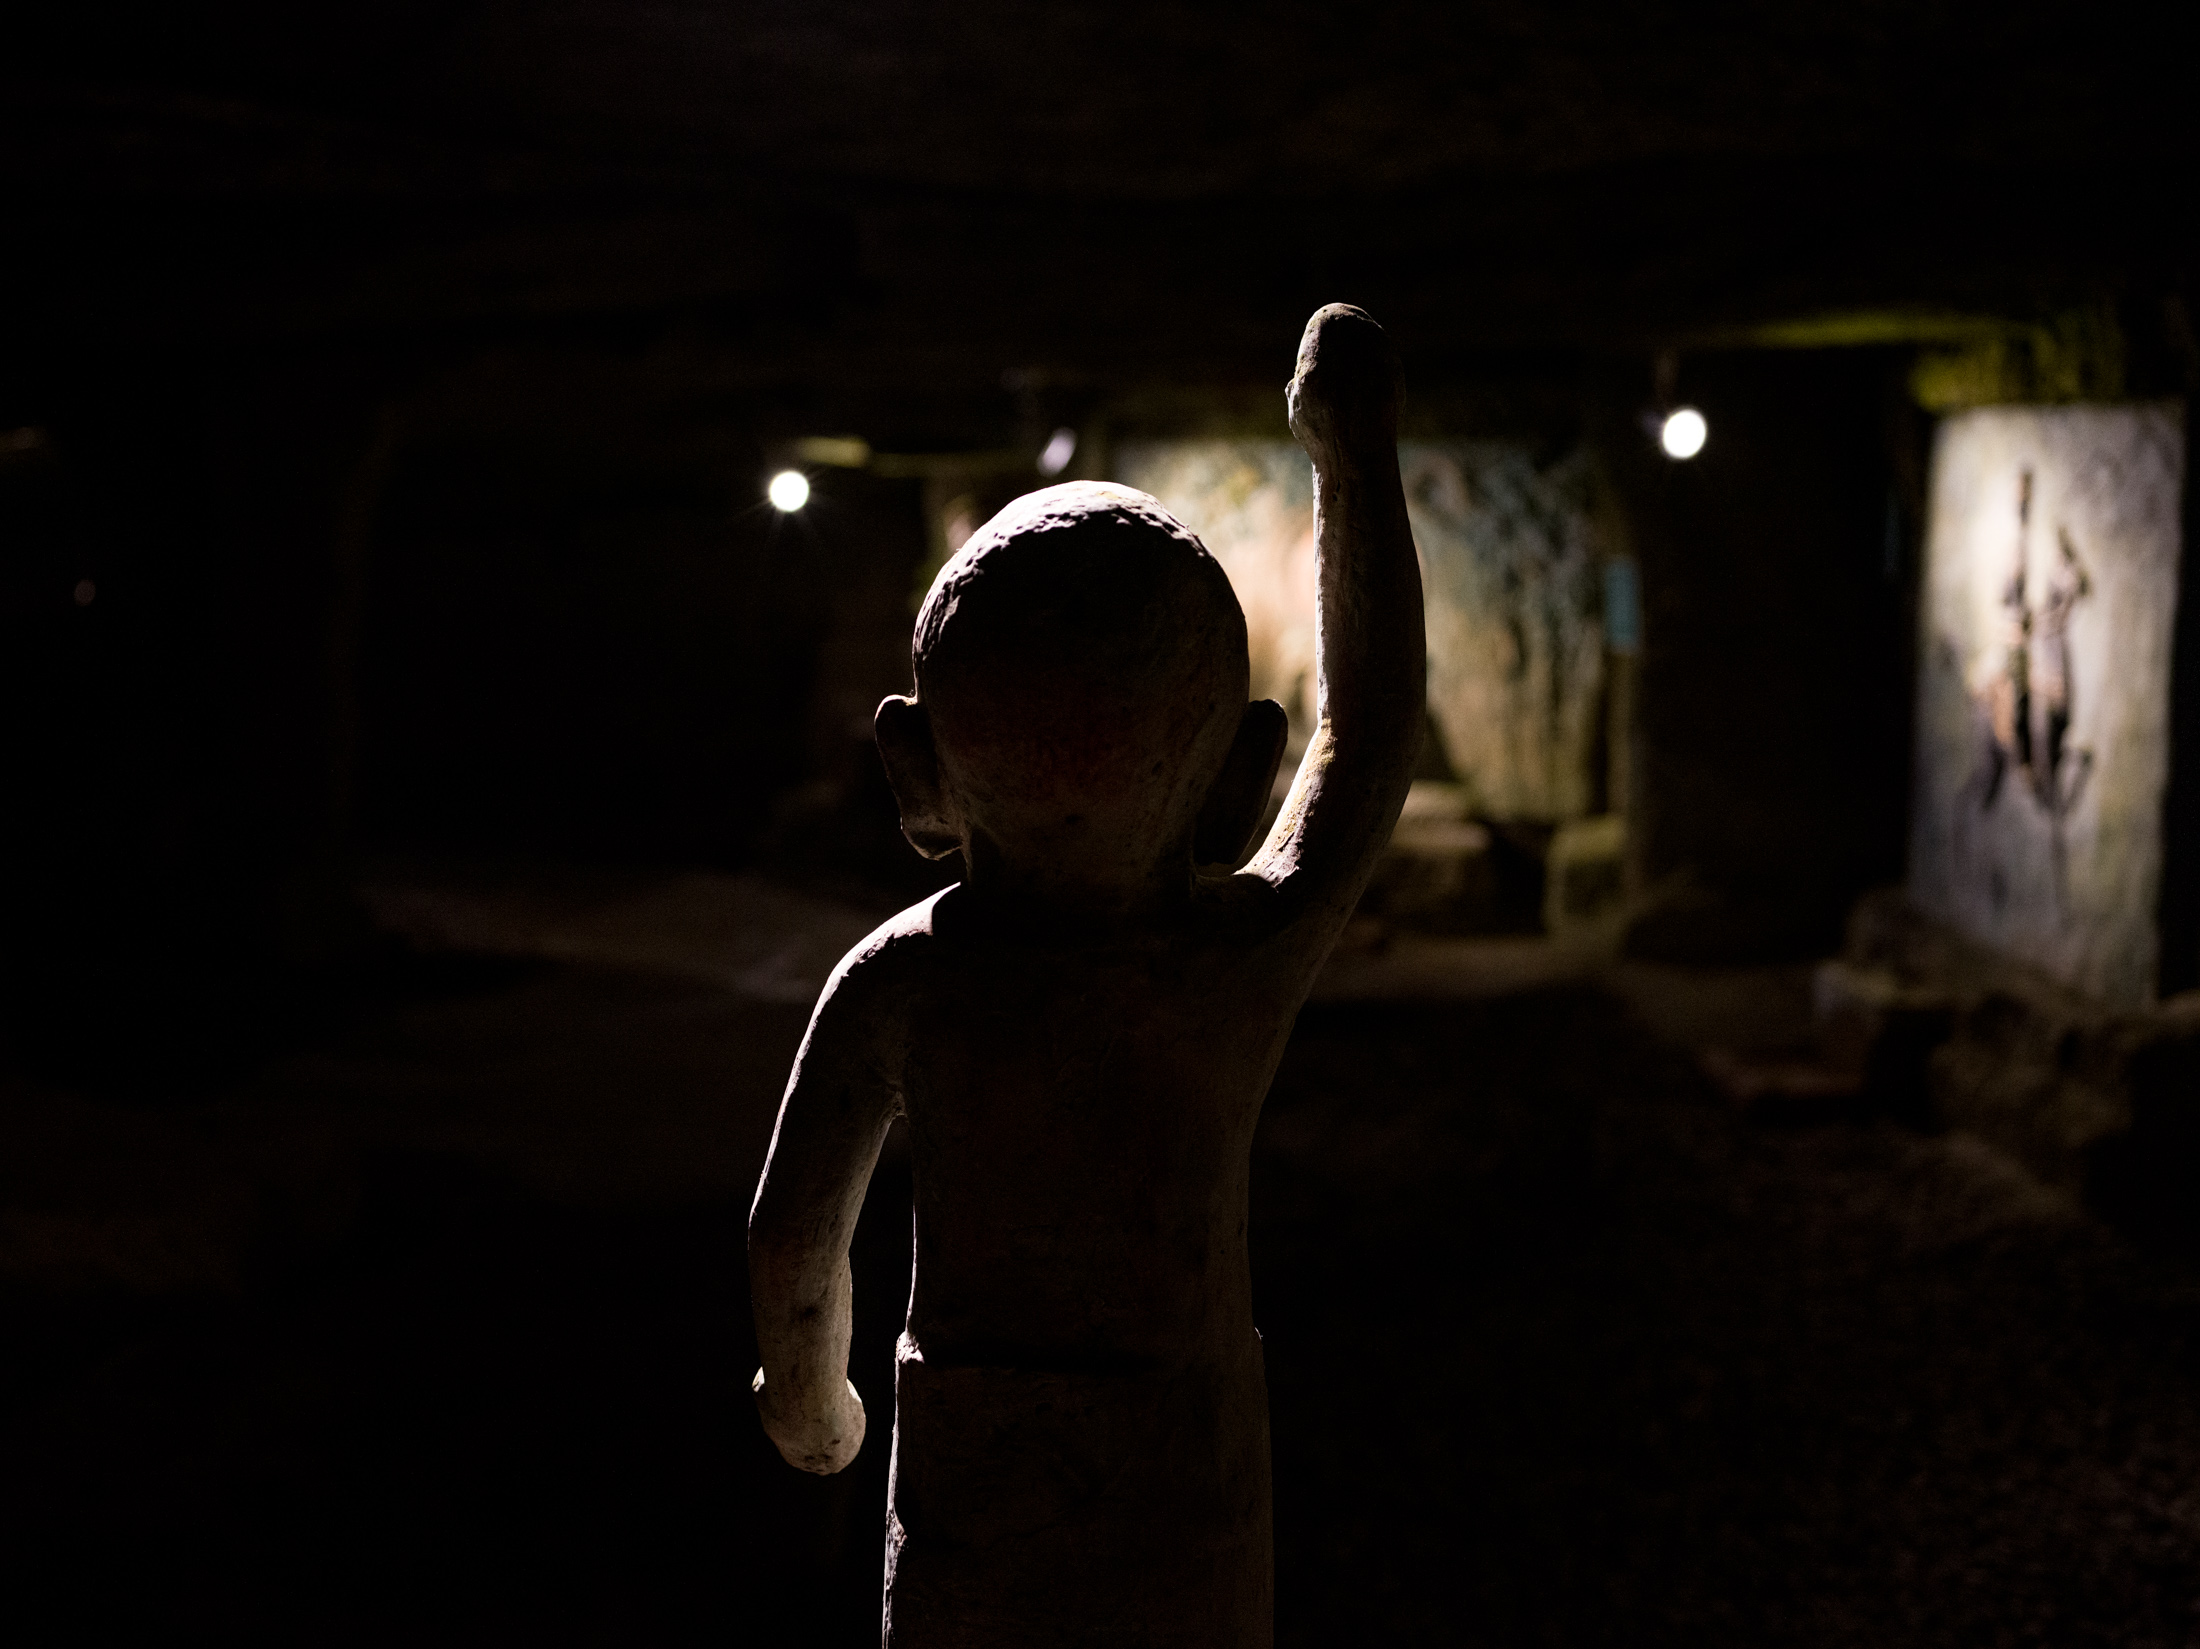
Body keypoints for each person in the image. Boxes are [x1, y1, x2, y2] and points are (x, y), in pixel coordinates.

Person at [746, 305, 1425, 1647]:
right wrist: (1355, 459)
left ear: (915, 772)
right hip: (1189, 1477)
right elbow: (1368, 744)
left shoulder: (901, 982)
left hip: (970, 1479)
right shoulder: (1233, 962)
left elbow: (790, 1236)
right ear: (1238, 777)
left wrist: (812, 1409)